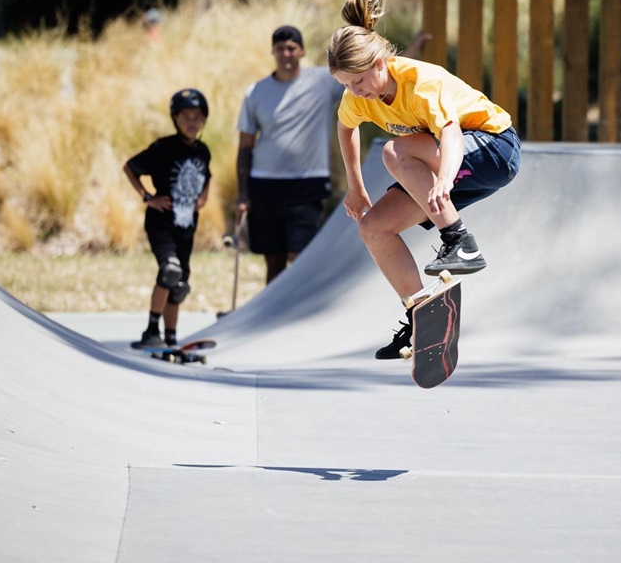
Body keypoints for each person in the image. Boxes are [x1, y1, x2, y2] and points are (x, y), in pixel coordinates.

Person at [327, 0, 522, 360]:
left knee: (395, 152)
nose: (356, 92)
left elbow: (450, 132)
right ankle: (421, 315)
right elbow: (345, 129)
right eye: (346, 85)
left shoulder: (420, 80)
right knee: (373, 226)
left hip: (493, 148)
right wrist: (356, 189)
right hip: (446, 163)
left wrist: (445, 182)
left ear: (381, 62)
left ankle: (460, 241)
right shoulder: (358, 97)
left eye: (359, 81)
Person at [235, 25, 432, 285]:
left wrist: (413, 48)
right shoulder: (256, 91)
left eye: (291, 48)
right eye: (280, 49)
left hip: (306, 182)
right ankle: (277, 317)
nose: (286, 54)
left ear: (301, 51)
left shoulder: (320, 81)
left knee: (299, 254)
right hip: (264, 182)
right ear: (273, 52)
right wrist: (242, 193)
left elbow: (369, 71)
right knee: (273, 257)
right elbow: (245, 146)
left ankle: (301, 309)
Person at [124, 89, 213, 348]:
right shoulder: (163, 148)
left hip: (186, 227)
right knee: (169, 271)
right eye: (186, 117)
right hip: (161, 223)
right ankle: (151, 332)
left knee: (180, 284)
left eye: (197, 117)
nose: (192, 122)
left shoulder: (203, 151)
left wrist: (203, 198)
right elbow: (130, 167)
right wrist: (147, 197)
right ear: (175, 119)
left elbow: (208, 176)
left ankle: (171, 337)